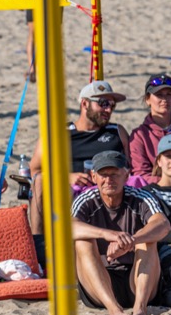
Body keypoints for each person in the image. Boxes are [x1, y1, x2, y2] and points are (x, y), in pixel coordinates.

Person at [72, 150, 168, 315]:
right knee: (83, 241)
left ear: (126, 175)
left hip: (137, 282)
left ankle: (140, 308)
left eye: (114, 174)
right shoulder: (86, 199)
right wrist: (108, 234)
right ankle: (114, 309)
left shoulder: (140, 197)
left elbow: (163, 224)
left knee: (148, 241)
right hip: (99, 285)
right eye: (103, 174)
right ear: (94, 177)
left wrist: (131, 241)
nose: (109, 180)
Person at [29, 80, 131, 234]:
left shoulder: (117, 132)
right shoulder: (59, 133)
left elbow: (130, 167)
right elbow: (35, 171)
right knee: (40, 181)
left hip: (108, 190)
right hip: (69, 192)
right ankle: (38, 241)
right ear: (84, 103)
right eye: (103, 103)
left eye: (112, 105)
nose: (108, 109)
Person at [143, 134, 171, 303]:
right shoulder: (147, 193)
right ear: (159, 161)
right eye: (168, 156)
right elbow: (149, 228)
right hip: (164, 250)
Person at [130, 74, 171, 186]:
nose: (164, 99)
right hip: (156, 191)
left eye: (169, 94)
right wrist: (169, 183)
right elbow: (141, 174)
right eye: (159, 95)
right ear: (147, 99)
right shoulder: (139, 135)